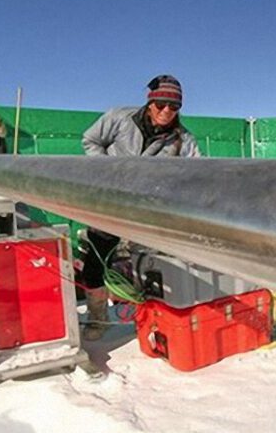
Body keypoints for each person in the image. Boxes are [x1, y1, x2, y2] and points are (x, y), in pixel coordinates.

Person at [79, 74, 201, 340]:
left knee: (150, 267)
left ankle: (150, 317)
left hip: (149, 213)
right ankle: (98, 317)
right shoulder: (119, 118)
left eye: (174, 107)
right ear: (150, 103)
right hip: (109, 203)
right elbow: (90, 140)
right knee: (95, 262)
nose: (167, 111)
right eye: (161, 105)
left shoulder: (183, 140)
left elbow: (196, 175)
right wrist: (108, 172)